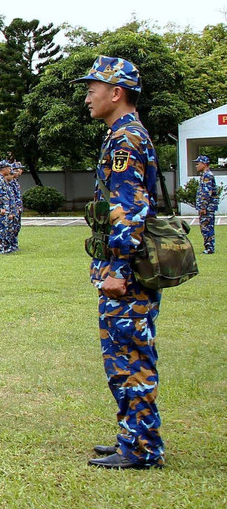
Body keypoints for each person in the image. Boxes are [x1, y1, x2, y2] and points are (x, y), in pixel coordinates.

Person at [74, 55, 164, 469]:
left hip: (125, 272)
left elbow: (130, 207)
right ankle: (132, 436)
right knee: (120, 357)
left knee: (130, 359)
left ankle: (142, 449)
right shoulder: (122, 135)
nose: (88, 96)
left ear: (117, 92)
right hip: (121, 267)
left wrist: (119, 269)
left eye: (94, 88)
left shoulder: (126, 139)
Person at [0, 160, 15, 255]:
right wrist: (1, 208)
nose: (10, 170)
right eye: (9, 168)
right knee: (0, 229)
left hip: (4, 209)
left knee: (4, 229)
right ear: (4, 169)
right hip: (0, 210)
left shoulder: (2, 179)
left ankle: (4, 247)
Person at [195, 155, 217, 255]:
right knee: (205, 227)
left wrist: (203, 206)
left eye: (198, 163)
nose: (196, 166)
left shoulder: (207, 176)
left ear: (204, 164)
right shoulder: (205, 175)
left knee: (207, 227)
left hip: (207, 208)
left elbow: (206, 192)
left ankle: (209, 248)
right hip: (206, 207)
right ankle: (208, 246)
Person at [10, 162, 25, 251]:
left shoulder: (15, 181)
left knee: (17, 226)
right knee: (12, 227)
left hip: (17, 208)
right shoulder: (10, 181)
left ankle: (14, 244)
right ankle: (11, 245)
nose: (21, 171)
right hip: (13, 208)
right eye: (19, 169)